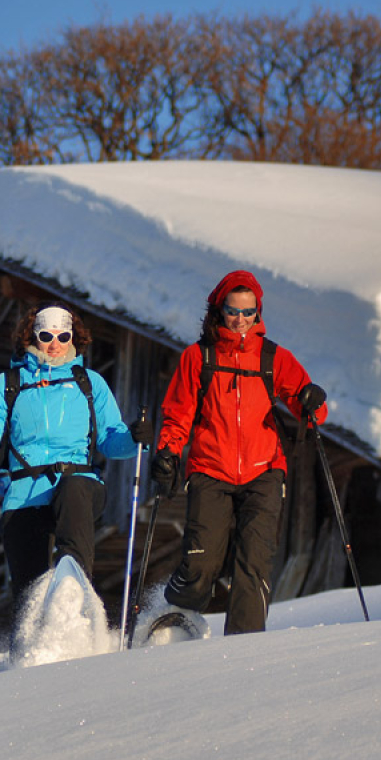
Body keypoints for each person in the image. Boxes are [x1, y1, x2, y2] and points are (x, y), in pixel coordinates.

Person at [149, 270, 327, 634]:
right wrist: (168, 452)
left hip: (263, 471)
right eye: (234, 311)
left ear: (258, 313)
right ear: (219, 311)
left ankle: (243, 652)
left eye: (249, 313)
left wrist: (312, 403)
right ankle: (174, 627)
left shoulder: (273, 357)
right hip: (211, 469)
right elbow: (178, 413)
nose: (241, 320)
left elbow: (308, 408)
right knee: (201, 563)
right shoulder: (198, 357)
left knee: (253, 565)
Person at [0, 302, 150, 602]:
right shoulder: (8, 385)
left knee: (73, 489)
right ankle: (33, 636)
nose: (55, 344)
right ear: (32, 336)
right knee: (29, 590)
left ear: (73, 338)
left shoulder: (89, 383)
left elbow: (112, 439)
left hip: (78, 483)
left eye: (63, 337)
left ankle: (73, 593)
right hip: (24, 491)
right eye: (46, 335)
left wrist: (134, 438)